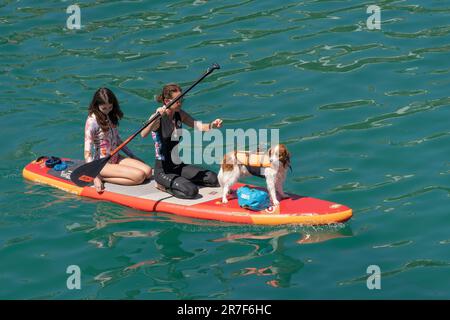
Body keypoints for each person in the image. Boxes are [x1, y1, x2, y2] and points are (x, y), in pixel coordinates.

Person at [141, 83, 223, 199]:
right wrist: (156, 116)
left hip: (178, 166)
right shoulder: (158, 118)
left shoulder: (180, 114)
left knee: (213, 178)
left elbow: (198, 126)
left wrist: (212, 125)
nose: (180, 103)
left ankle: (181, 181)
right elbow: (143, 134)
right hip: (163, 170)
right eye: (177, 100)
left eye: (181, 99)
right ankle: (161, 185)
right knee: (191, 191)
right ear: (167, 101)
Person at [84, 87, 152, 193]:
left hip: (116, 158)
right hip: (101, 164)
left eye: (110, 107)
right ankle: (103, 177)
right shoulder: (92, 121)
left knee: (148, 172)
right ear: (97, 105)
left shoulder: (111, 115)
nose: (107, 111)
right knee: (139, 177)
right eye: (104, 108)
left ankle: (109, 175)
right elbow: (87, 152)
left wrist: (133, 156)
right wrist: (95, 177)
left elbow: (117, 140)